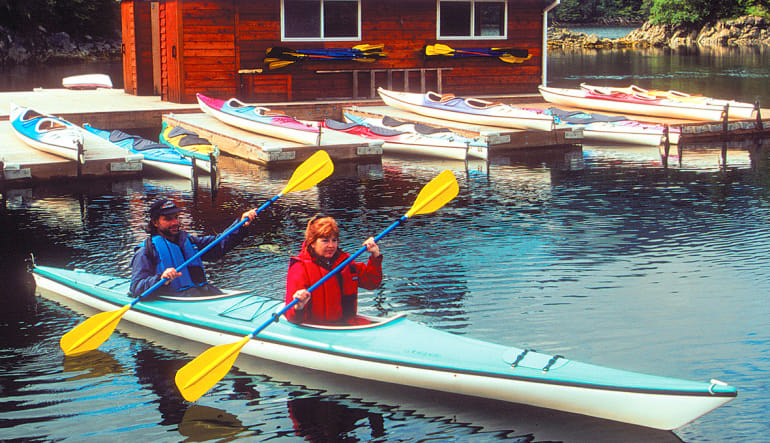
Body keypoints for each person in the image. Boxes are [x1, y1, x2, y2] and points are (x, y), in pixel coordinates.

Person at [130, 198, 258, 297]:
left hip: (199, 293)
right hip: (176, 301)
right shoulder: (146, 251)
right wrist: (160, 279)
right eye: (168, 219)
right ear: (155, 222)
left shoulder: (189, 241)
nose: (175, 222)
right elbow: (136, 287)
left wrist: (241, 225)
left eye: (176, 218)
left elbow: (218, 245)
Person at [285, 215, 382, 325]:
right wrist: (299, 306)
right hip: (316, 328)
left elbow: (372, 282)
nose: (331, 245)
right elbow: (292, 317)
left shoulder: (346, 263)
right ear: (312, 243)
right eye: (325, 241)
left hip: (346, 323)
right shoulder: (300, 268)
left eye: (334, 240)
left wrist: (375, 255)